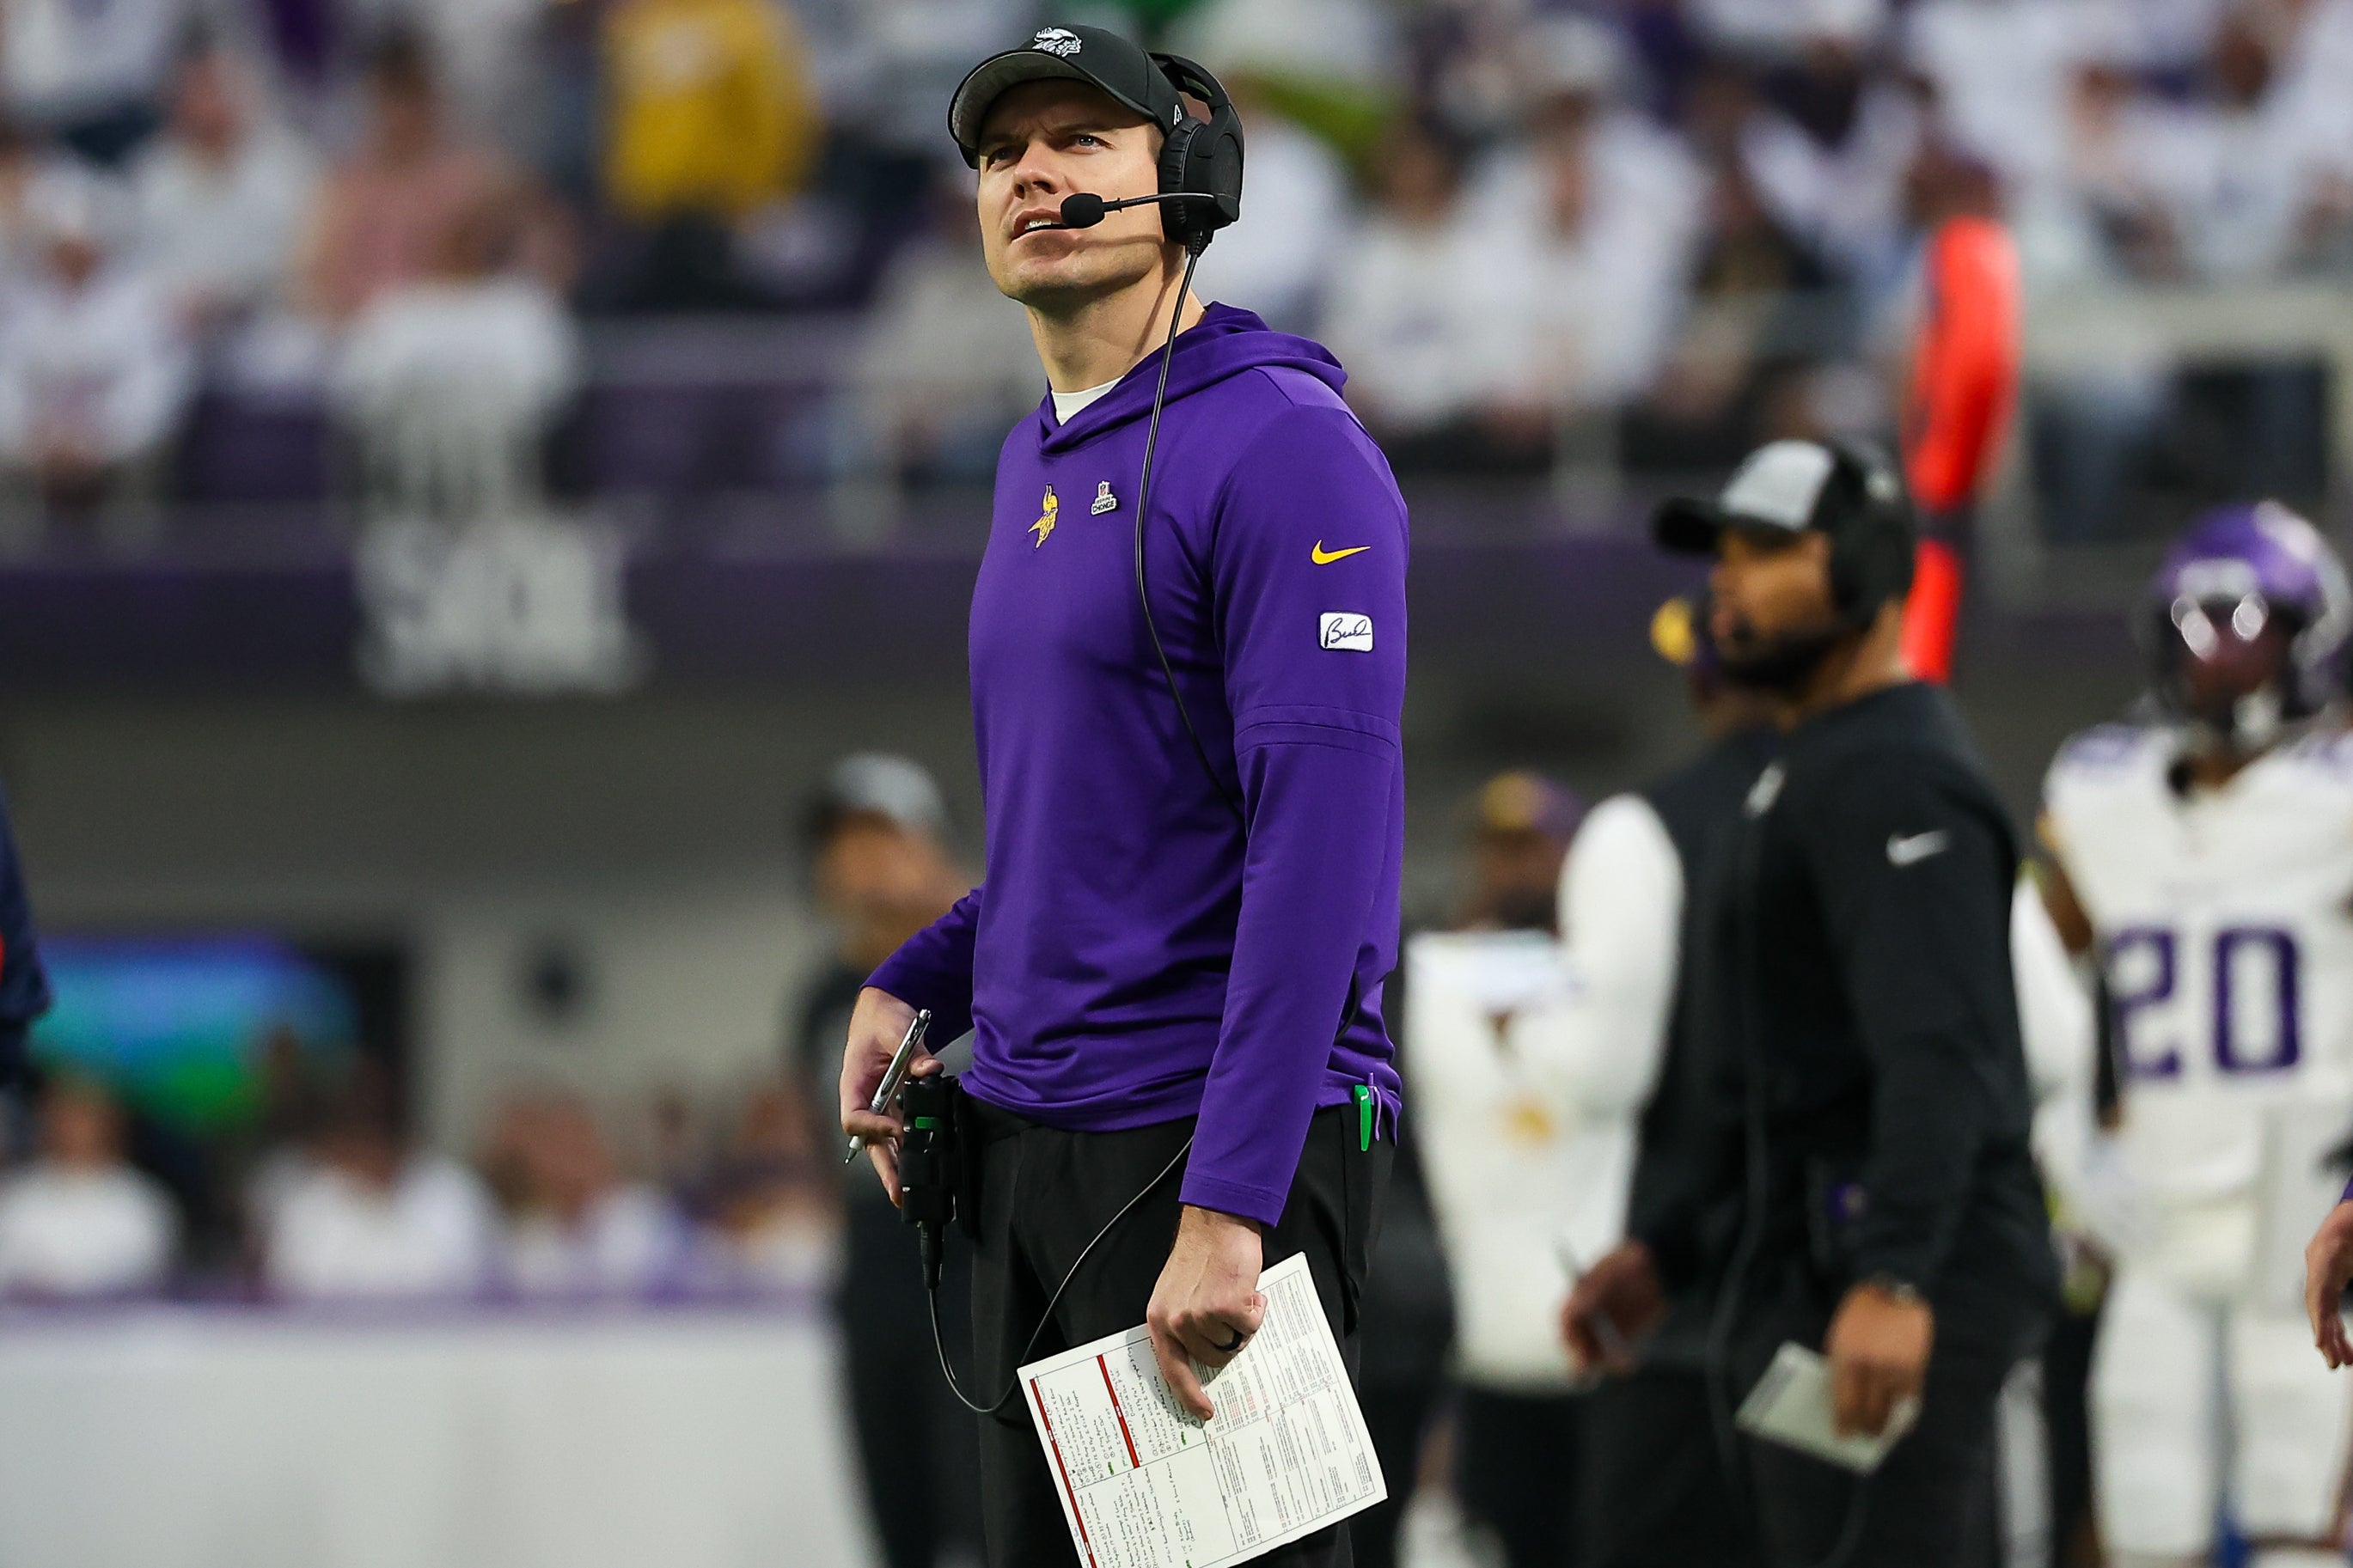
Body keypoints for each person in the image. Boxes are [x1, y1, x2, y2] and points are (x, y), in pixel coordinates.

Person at [839, 26, 1408, 1566]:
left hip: (1201, 1151)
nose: (1031, 170)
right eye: (1000, 150)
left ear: (1193, 180)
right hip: (1032, 1145)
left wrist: (1231, 1203)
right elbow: (1091, 823)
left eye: (1081, 139)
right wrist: (917, 979)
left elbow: (1323, 846)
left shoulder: (1289, 450)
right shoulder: (1037, 456)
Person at [1563, 437, 2055, 1568]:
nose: (1727, 578)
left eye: (1769, 549)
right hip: (1818, 1267)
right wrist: (1671, 1251)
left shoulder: (1894, 773)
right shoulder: (1811, 763)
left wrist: (1894, 1274)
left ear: (1872, 566)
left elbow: (1939, 1054)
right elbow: (1795, 1077)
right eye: (1722, 551)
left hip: (1888, 1281)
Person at [2044, 502, 2353, 1568]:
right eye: (2194, 631)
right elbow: (2033, 982)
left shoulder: (2335, 794)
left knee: (2299, 1518)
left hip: (2303, 1205)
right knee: (2142, 1511)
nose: (2217, 660)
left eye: (2245, 631)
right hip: (2157, 1208)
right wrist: (2063, 1148)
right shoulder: (2096, 792)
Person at [790, 754, 981, 1568]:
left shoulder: (985, 970)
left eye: (882, 839)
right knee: (895, 1518)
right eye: (844, 844)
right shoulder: (823, 994)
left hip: (974, 1262)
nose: (861, 864)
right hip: (874, 1272)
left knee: (981, 1509)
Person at [1403, 772, 1590, 1568]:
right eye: (1499, 849)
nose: (1516, 869)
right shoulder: (1425, 982)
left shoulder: (1607, 983)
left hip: (1590, 1323)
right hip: (1465, 1325)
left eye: (1534, 849)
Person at [128, 39, 319, 339]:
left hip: (266, 321)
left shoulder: (286, 166)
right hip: (175, 326)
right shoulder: (153, 174)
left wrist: (229, 297)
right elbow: (140, 262)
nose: (206, 107)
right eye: (195, 94)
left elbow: (301, 259)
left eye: (214, 92)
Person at [0, 1075, 177, 1297]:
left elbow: (151, 1285)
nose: (77, 1127)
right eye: (67, 1114)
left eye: (87, 1115)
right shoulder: (14, 1199)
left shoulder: (143, 1202)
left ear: (111, 1122)